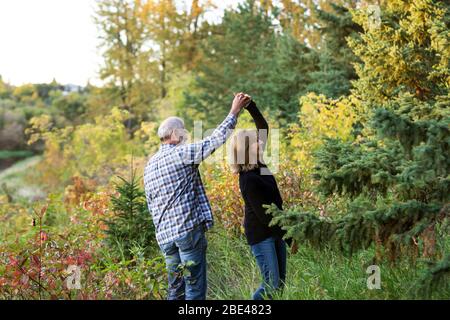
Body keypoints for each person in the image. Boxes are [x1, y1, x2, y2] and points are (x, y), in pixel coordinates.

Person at [143, 92, 251, 300]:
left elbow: (151, 204)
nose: (186, 136)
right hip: (186, 232)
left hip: (165, 238)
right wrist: (234, 112)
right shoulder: (180, 154)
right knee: (194, 290)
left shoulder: (149, 166)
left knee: (175, 291)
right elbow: (214, 140)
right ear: (175, 133)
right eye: (184, 132)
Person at [229, 100, 288, 300]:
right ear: (246, 149)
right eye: (255, 142)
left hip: (276, 230)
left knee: (279, 285)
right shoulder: (248, 180)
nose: (259, 143)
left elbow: (263, 127)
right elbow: (265, 217)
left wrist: (250, 106)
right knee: (270, 285)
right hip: (262, 235)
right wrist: (289, 237)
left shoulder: (260, 165)